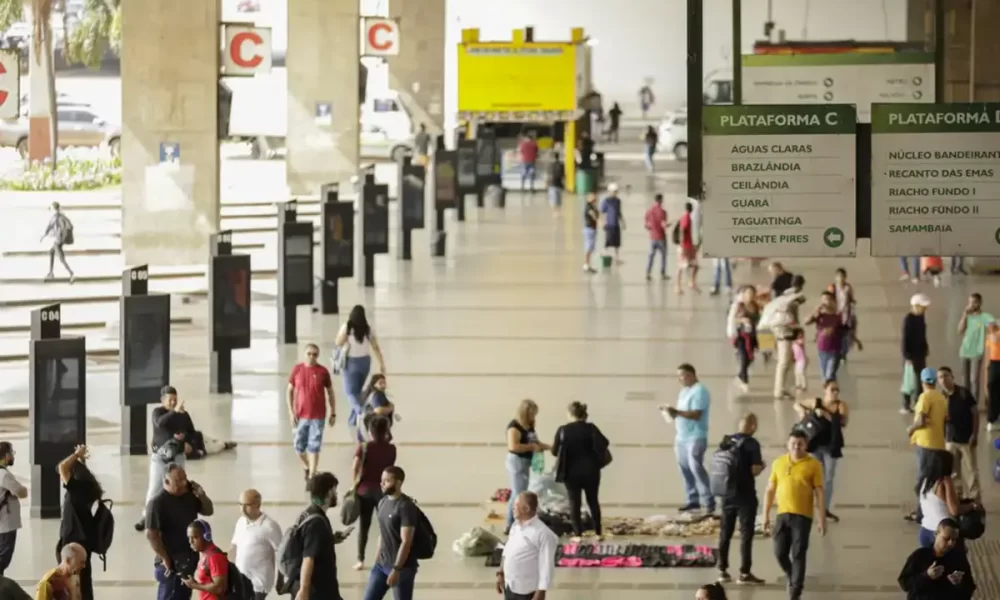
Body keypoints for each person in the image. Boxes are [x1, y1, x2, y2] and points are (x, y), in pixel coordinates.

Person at [762, 431, 825, 600]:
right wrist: (765, 514)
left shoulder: (813, 465)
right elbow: (770, 489)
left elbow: (819, 491)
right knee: (780, 552)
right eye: (793, 444)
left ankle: (795, 590)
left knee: (798, 553)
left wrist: (822, 518)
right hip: (783, 515)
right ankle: (792, 575)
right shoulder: (779, 463)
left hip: (802, 517)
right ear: (787, 444)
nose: (796, 447)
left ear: (806, 445)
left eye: (800, 444)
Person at [145, 463, 216, 600]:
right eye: (178, 481)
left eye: (185, 479)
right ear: (166, 481)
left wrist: (201, 495)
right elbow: (151, 534)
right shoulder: (157, 503)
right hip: (171, 562)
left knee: (183, 595)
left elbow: (208, 510)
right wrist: (165, 558)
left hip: (188, 559)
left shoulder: (188, 496)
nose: (184, 484)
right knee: (170, 595)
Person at [715, 413, 765, 585]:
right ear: (752, 426)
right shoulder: (752, 444)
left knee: (725, 533)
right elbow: (755, 470)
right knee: (746, 535)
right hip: (745, 497)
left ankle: (722, 570)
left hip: (727, 495)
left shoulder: (726, 441)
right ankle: (744, 573)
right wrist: (762, 466)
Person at [550, 402, 609, 541]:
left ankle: (577, 535)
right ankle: (598, 533)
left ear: (570, 414)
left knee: (574, 502)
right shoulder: (591, 428)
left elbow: (554, 451)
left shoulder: (563, 430)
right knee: (593, 500)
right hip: (592, 471)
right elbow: (604, 443)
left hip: (570, 473)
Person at [137, 385, 192, 530]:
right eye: (170, 400)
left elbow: (191, 431)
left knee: (179, 486)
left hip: (177, 457)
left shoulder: (183, 415)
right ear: (163, 400)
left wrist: (186, 441)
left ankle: (176, 517)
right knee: (155, 487)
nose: (173, 402)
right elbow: (160, 423)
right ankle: (146, 517)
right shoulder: (157, 412)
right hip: (160, 457)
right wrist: (174, 411)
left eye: (175, 399)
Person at [794, 380, 848, 522]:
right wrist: (803, 412)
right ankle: (807, 506)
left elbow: (843, 422)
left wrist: (825, 414)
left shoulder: (840, 405)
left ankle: (824, 509)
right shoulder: (815, 402)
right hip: (815, 444)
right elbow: (797, 404)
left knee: (828, 479)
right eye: (832, 389)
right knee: (814, 477)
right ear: (825, 390)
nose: (835, 392)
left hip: (831, 446)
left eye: (837, 390)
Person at [363, 466, 420, 600]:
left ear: (398, 483)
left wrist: (396, 569)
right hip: (381, 566)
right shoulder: (383, 502)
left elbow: (406, 541)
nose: (382, 484)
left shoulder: (406, 507)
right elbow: (382, 533)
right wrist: (377, 560)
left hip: (402, 569)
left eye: (387, 481)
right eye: (382, 480)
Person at [663, 364, 714, 514]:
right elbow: (682, 412)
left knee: (696, 467)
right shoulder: (684, 391)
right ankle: (693, 500)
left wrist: (677, 412)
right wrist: (671, 413)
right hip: (681, 436)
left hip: (695, 436)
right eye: (678, 376)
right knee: (684, 468)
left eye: (683, 375)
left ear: (692, 374)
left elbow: (696, 414)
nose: (680, 379)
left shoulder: (700, 391)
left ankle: (709, 500)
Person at [56, 445, 105, 600]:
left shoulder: (75, 488)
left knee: (71, 578)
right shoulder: (89, 487)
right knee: (84, 578)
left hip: (73, 537)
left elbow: (63, 467)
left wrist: (76, 454)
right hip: (85, 537)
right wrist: (81, 459)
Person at [289, 472, 343, 600]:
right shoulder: (317, 523)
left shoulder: (307, 514)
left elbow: (309, 543)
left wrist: (331, 540)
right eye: (335, 491)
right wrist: (304, 591)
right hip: (318, 590)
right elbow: (308, 558)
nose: (336, 495)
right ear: (329, 492)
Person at [352, 416, 397, 571]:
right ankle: (386, 558)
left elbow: (355, 466)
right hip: (383, 491)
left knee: (364, 526)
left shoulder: (364, 447)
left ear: (370, 430)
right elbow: (390, 471)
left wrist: (354, 484)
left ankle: (360, 560)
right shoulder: (391, 449)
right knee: (385, 526)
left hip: (364, 491)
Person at [286, 344, 336, 482]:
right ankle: (308, 467)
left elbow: (330, 392)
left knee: (314, 446)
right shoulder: (297, 370)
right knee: (298, 446)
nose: (311, 357)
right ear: (304, 354)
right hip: (300, 416)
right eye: (309, 353)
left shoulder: (323, 372)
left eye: (314, 354)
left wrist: (333, 412)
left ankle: (312, 475)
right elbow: (289, 391)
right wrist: (291, 412)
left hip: (317, 417)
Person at [495, 492, 558, 600]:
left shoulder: (543, 534)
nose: (513, 508)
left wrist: (541, 592)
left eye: (516, 506)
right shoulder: (515, 526)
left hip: (527, 591)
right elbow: (507, 551)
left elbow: (546, 566)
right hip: (510, 586)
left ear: (526, 508)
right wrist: (500, 573)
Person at [335, 305, 386, 438]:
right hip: (365, 362)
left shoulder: (347, 327)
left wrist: (346, 337)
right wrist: (381, 363)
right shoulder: (368, 329)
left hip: (351, 363)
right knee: (358, 393)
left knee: (350, 392)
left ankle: (362, 411)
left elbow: (338, 342)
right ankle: (353, 421)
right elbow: (375, 347)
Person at [897, 518, 976, 599]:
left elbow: (970, 587)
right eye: (946, 538)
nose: (950, 543)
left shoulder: (958, 558)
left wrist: (959, 584)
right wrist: (926, 576)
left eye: (954, 540)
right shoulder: (920, 556)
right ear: (936, 534)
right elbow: (905, 583)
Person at [915, 451, 977, 548]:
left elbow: (941, 503)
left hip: (925, 531)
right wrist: (972, 506)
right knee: (957, 562)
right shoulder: (944, 482)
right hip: (944, 533)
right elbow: (954, 510)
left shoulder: (924, 480)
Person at [504, 399, 548, 534]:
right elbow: (513, 446)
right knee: (517, 494)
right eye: (532, 414)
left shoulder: (528, 426)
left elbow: (536, 442)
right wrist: (532, 447)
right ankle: (509, 524)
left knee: (521, 492)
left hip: (525, 462)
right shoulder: (514, 427)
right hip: (517, 462)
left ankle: (516, 522)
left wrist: (551, 447)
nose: (534, 417)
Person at [230, 489, 283, 600]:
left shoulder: (270, 526)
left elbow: (282, 554)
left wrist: (280, 580)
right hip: (241, 582)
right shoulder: (240, 522)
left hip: (259, 584)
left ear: (258, 504)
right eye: (240, 504)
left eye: (247, 505)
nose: (242, 509)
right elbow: (234, 548)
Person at [938, 367, 980, 502]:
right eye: (940, 377)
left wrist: (975, 433)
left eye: (946, 376)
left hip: (966, 439)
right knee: (954, 473)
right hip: (950, 440)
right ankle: (959, 496)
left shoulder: (963, 393)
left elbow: (975, 413)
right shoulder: (941, 397)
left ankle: (975, 498)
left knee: (971, 471)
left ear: (952, 377)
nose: (943, 380)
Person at [772, 275, 807, 400]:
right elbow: (792, 316)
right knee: (784, 362)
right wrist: (797, 328)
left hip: (781, 331)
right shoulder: (792, 298)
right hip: (785, 332)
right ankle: (779, 390)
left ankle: (781, 388)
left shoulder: (784, 295)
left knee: (786, 362)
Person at [958, 293, 993, 399]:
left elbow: (995, 326)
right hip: (964, 351)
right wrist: (964, 315)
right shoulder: (967, 316)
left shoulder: (985, 317)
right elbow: (960, 331)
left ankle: (974, 403)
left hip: (977, 352)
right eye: (970, 302)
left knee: (974, 379)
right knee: (965, 380)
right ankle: (965, 402)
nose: (971, 305)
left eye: (974, 302)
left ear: (980, 303)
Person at [182, 519, 228, 599]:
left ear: (207, 536)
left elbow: (219, 588)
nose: (191, 541)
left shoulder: (214, 557)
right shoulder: (204, 554)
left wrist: (194, 585)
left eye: (195, 537)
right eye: (189, 538)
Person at [902, 294, 931, 414]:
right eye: (923, 307)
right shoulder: (909, 319)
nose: (925, 309)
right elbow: (905, 339)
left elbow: (923, 335)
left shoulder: (921, 318)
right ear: (916, 306)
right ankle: (906, 404)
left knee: (920, 379)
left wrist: (925, 347)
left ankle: (918, 402)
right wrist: (907, 356)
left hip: (920, 353)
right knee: (909, 380)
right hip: (911, 355)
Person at [804, 291, 842, 382]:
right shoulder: (819, 315)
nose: (824, 302)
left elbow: (846, 329)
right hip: (822, 347)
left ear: (832, 301)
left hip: (835, 348)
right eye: (823, 299)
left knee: (830, 374)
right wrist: (814, 312)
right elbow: (806, 322)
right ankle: (829, 393)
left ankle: (832, 391)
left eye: (827, 299)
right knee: (825, 375)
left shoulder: (838, 315)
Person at [0, 441, 26, 576]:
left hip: (3, 523)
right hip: (6, 523)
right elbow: (21, 492)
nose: (13, 456)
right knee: (3, 557)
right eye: (12, 453)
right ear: (6, 455)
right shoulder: (4, 475)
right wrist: (23, 490)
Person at [729, 287, 759, 394]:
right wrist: (742, 319)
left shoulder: (756, 306)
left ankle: (740, 376)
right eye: (748, 293)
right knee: (743, 357)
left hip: (752, 336)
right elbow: (733, 318)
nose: (749, 295)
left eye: (752, 293)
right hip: (741, 336)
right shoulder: (740, 306)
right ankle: (744, 382)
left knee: (750, 358)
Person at [827, 268, 857, 364]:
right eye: (838, 277)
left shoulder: (848, 288)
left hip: (845, 316)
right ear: (836, 277)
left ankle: (843, 353)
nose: (840, 279)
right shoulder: (832, 287)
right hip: (835, 315)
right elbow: (827, 299)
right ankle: (836, 353)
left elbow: (852, 299)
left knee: (845, 336)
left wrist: (852, 308)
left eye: (842, 277)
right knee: (835, 335)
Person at [40, 201, 75, 283]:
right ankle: (51, 273)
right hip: (60, 239)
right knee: (51, 252)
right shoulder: (61, 215)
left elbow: (50, 226)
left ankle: (71, 274)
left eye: (51, 208)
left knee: (61, 258)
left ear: (53, 208)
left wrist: (44, 235)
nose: (50, 209)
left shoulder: (55, 217)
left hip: (59, 240)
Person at [359, 374, 396, 442]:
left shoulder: (372, 395)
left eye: (384, 383)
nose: (383, 385)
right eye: (380, 383)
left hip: (367, 431)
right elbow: (378, 410)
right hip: (374, 432)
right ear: (374, 385)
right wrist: (391, 408)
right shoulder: (377, 394)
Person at [674, 202, 700, 294]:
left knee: (694, 266)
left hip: (688, 246)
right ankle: (679, 286)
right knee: (682, 267)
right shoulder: (687, 218)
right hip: (685, 247)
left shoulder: (685, 217)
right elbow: (682, 229)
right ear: (691, 209)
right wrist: (682, 243)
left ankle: (690, 283)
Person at [644, 193, 669, 280]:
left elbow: (646, 225)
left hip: (652, 238)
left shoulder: (649, 211)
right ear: (661, 200)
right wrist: (668, 225)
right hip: (661, 238)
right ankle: (662, 274)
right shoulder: (663, 212)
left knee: (651, 256)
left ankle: (648, 273)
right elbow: (664, 225)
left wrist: (651, 228)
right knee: (663, 256)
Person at [600, 183, 625, 264]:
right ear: (610, 191)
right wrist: (603, 223)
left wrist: (622, 222)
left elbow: (619, 212)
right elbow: (602, 212)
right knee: (608, 241)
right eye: (614, 191)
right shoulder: (606, 201)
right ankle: (604, 254)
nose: (615, 193)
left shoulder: (618, 201)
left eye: (616, 191)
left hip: (616, 224)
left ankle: (616, 258)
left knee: (617, 242)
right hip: (609, 224)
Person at [987, 321, 1000, 432]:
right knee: (993, 391)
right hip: (994, 363)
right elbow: (989, 350)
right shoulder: (991, 336)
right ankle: (992, 419)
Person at [582, 193, 600, 273]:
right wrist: (599, 221)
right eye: (593, 198)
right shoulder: (588, 207)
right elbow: (594, 216)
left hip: (592, 229)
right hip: (589, 229)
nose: (594, 200)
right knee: (588, 247)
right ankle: (586, 265)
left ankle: (588, 264)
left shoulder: (593, 206)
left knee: (591, 247)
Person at [546, 152, 564, 216]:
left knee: (553, 199)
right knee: (558, 199)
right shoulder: (561, 164)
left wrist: (546, 184)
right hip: (559, 184)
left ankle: (555, 212)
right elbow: (563, 175)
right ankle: (558, 212)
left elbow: (548, 175)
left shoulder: (550, 165)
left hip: (552, 184)